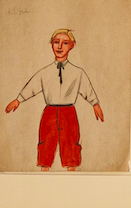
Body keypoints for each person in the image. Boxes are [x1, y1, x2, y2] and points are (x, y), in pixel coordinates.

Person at [7, 27, 103, 170]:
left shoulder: (78, 72)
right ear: (51, 44)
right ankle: (44, 176)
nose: (59, 46)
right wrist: (18, 99)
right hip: (49, 113)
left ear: (72, 46)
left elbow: (87, 89)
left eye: (65, 43)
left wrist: (95, 104)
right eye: (56, 42)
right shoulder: (44, 72)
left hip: (69, 113)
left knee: (71, 145)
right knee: (45, 145)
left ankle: (72, 178)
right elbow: (32, 86)